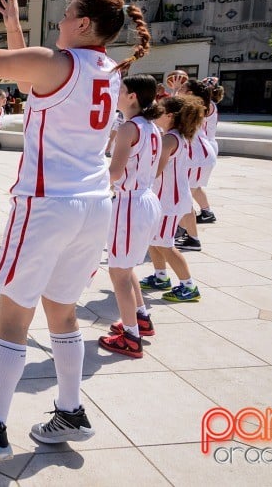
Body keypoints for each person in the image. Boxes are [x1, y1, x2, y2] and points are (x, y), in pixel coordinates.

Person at [0, 0, 150, 464]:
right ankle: (70, 410)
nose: (59, 21)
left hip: (48, 205)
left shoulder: (56, 62)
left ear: (84, 24)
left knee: (14, 316)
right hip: (94, 205)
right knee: (63, 311)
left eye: (67, 13)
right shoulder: (109, 71)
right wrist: (14, 28)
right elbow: (36, 80)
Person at [97, 75, 163, 359]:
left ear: (133, 96)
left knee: (118, 273)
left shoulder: (128, 128)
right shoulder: (152, 128)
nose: (116, 93)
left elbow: (113, 174)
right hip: (146, 199)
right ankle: (140, 319)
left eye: (120, 90)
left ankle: (131, 337)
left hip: (130, 203)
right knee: (127, 267)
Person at [141, 94, 205, 303]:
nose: (155, 113)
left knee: (165, 243)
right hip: (166, 197)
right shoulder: (174, 135)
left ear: (169, 116)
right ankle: (160, 277)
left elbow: (155, 170)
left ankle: (189, 286)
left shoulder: (169, 138)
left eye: (159, 110)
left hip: (169, 200)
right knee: (154, 239)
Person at [174, 78, 217, 251]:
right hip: (196, 156)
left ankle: (191, 237)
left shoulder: (190, 109)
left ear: (190, 93)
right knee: (182, 198)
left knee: (182, 199)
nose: (179, 89)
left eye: (182, 88)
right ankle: (184, 231)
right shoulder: (191, 107)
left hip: (196, 157)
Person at [193, 78, 222, 224]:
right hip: (205, 144)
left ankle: (187, 220)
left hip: (204, 146)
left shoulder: (207, 105)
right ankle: (206, 211)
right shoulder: (208, 104)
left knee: (191, 186)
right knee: (194, 185)